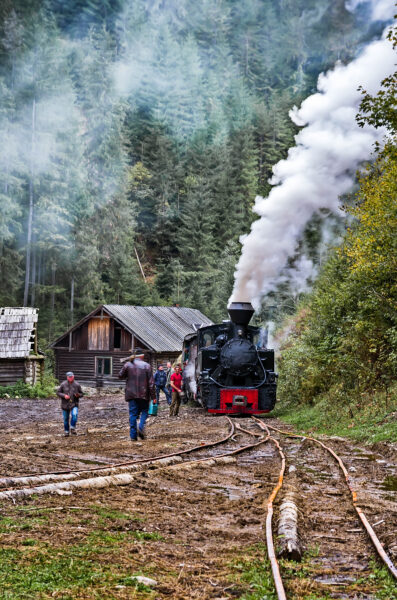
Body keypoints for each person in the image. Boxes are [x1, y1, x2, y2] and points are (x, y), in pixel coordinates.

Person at [119, 348, 155, 442]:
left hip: (131, 394)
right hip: (144, 394)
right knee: (144, 411)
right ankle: (141, 426)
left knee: (133, 414)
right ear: (142, 356)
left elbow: (120, 375)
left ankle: (133, 436)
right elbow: (151, 383)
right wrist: (154, 397)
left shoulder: (128, 364)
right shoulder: (147, 366)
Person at [57, 371, 84, 437]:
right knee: (66, 419)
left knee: (74, 415)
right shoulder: (63, 384)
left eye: (72, 377)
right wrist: (64, 396)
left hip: (74, 403)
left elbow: (82, 394)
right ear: (67, 377)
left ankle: (72, 427)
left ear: (73, 376)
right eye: (69, 377)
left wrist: (78, 395)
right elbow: (58, 393)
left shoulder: (77, 385)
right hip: (65, 404)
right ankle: (66, 432)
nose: (71, 378)